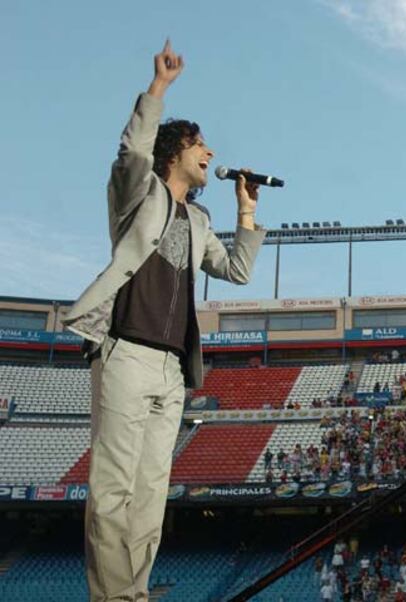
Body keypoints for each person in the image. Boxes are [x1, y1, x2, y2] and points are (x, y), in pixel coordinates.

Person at [63, 41, 266, 602]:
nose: (211, 150)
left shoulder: (199, 219)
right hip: (125, 350)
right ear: (175, 152)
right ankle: (112, 598)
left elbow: (239, 271)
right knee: (113, 489)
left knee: (152, 492)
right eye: (201, 143)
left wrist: (245, 209)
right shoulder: (138, 194)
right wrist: (159, 89)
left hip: (173, 368)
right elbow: (130, 153)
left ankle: (136, 592)